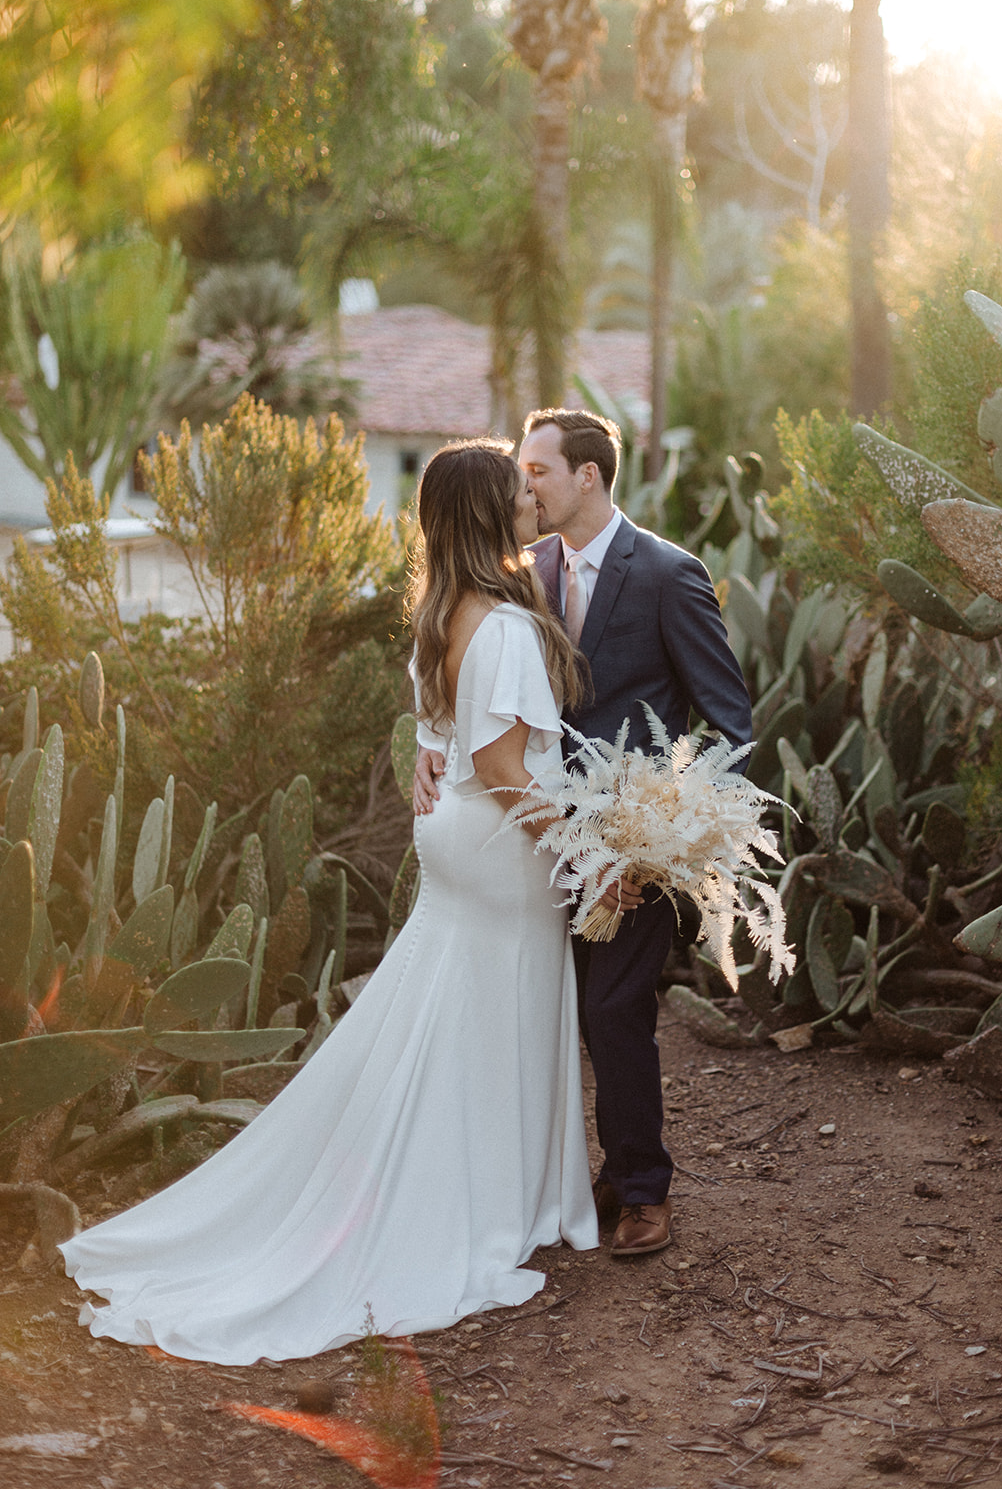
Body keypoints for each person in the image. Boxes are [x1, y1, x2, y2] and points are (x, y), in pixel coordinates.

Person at [60, 439, 598, 1364]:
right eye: (517, 495)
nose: (530, 506)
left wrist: (457, 764)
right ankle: (489, 1201)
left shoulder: (444, 611)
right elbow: (505, 768)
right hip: (501, 841)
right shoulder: (506, 626)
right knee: (494, 1014)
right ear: (484, 514)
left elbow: (439, 735)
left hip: (456, 839)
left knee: (452, 1013)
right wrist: (583, 850)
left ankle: (494, 1188)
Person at [415, 409, 752, 1260]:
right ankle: (567, 1179)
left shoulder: (668, 575)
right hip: (529, 836)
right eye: (519, 473)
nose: (524, 485)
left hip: (631, 846)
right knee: (548, 1010)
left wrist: (679, 827)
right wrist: (431, 745)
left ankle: (641, 1188)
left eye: (537, 469)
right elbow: (465, 668)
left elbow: (727, 720)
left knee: (611, 1010)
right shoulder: (514, 571)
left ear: (588, 475)